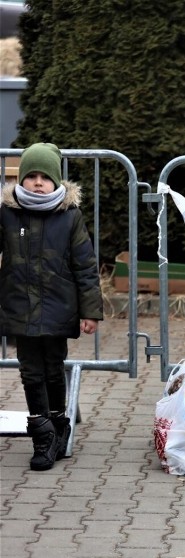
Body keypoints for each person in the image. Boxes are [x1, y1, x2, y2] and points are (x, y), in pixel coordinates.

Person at [0, 142, 103, 471]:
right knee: (30, 371)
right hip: (19, 307)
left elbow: (85, 266)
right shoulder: (7, 212)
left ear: (57, 181)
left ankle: (59, 424)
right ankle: (41, 435)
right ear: (21, 179)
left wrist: (90, 310)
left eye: (46, 176)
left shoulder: (69, 216)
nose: (38, 182)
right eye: (31, 176)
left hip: (58, 306)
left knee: (54, 367)